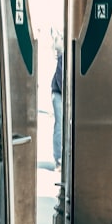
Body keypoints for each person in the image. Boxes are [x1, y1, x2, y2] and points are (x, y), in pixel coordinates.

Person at [51, 44, 64, 172]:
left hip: (66, 94)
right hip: (59, 93)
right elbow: (60, 78)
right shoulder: (64, 57)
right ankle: (59, 159)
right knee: (60, 124)